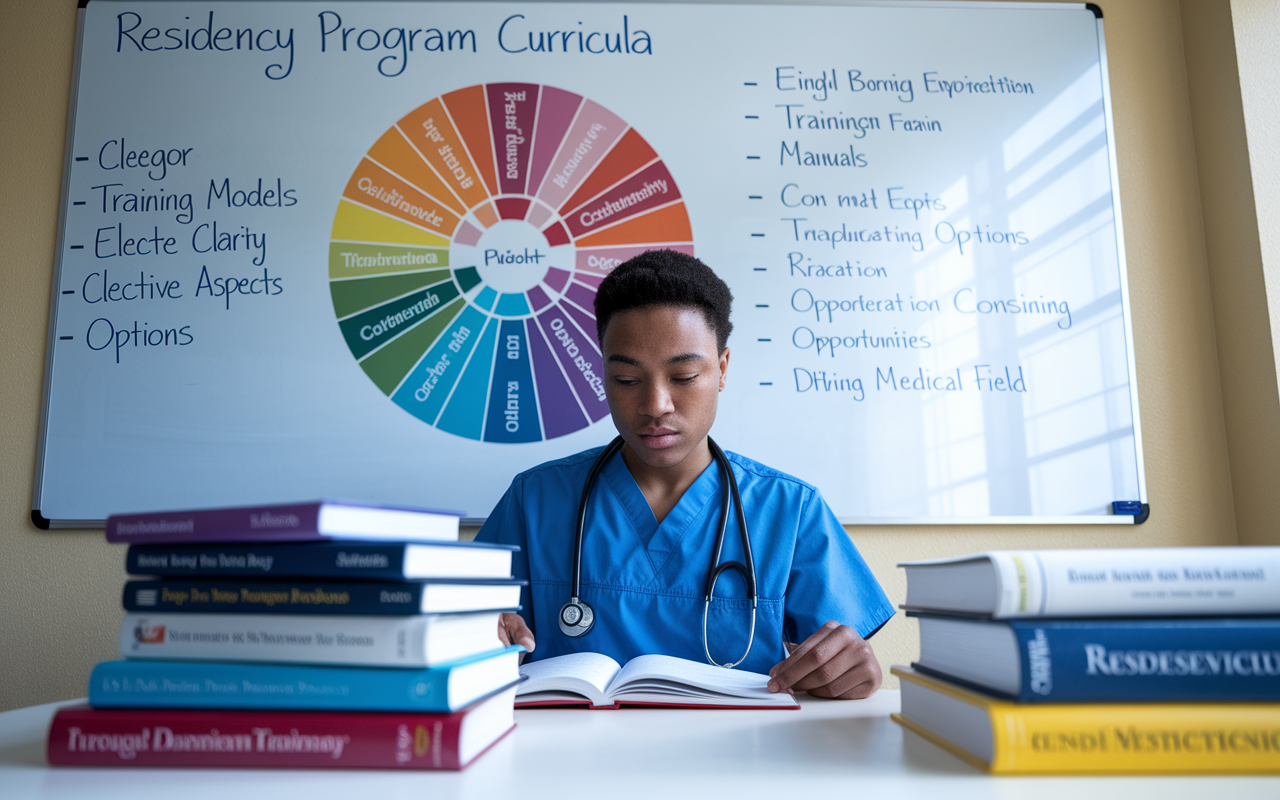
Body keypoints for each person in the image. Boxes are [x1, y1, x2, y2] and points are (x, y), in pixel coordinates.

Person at [474, 250, 893, 699]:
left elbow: (839, 662)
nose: (656, 405)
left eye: (684, 376)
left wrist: (854, 671)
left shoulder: (790, 510)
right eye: (626, 379)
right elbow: (462, 630)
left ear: (722, 369)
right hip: (568, 761)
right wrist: (473, 634)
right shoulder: (534, 500)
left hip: (742, 760)